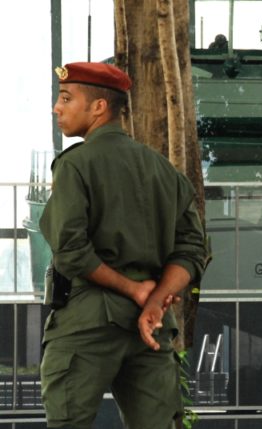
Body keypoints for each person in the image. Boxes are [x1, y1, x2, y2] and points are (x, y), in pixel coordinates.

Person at [39, 62, 208, 429]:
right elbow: (193, 248)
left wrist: (134, 290)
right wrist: (152, 300)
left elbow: (70, 250)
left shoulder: (76, 165)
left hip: (88, 320)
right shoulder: (164, 170)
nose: (57, 107)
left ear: (99, 107)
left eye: (66, 98)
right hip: (153, 326)